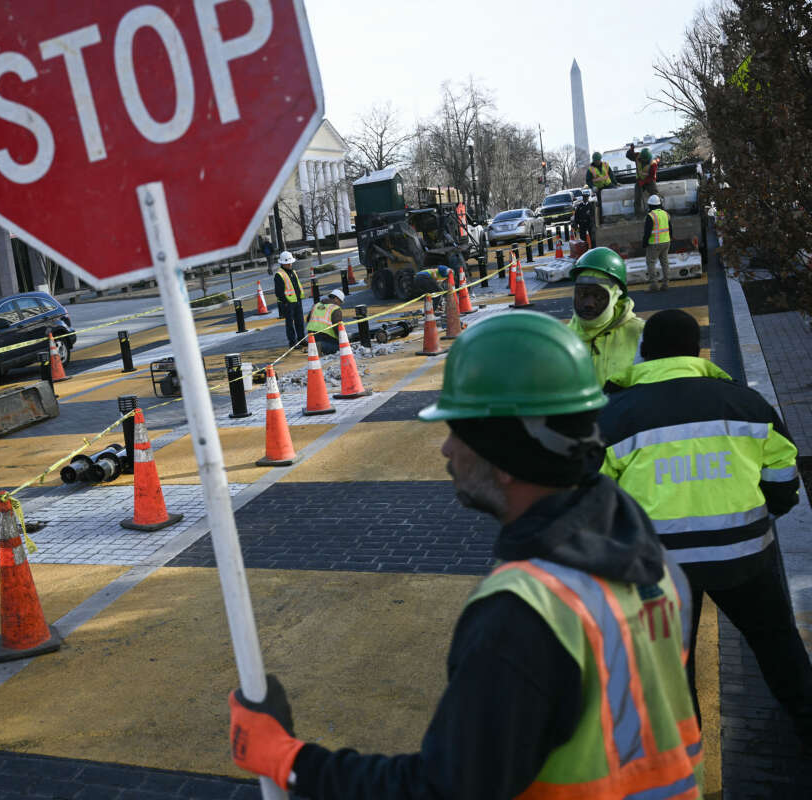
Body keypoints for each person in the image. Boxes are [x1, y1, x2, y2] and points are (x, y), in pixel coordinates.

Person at [228, 312, 703, 798]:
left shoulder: (525, 614)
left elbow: (444, 790)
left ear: (506, 458)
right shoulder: (655, 563)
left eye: (461, 432)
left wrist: (285, 758)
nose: (446, 448)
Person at [600, 309, 812, 752]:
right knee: (776, 643)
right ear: (696, 350)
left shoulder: (615, 415)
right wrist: (768, 511)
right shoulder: (745, 402)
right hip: (746, 558)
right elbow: (782, 475)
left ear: (646, 352)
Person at [567, 247, 644, 387]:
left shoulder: (640, 334)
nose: (588, 304)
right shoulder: (562, 339)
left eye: (598, 296)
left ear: (616, 296)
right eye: (582, 295)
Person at [273, 250, 306, 347]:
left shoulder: (293, 272)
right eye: (287, 263)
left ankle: (301, 339)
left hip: (297, 301)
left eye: (290, 262)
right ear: (282, 263)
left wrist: (300, 298)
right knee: (290, 324)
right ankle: (293, 342)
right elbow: (278, 292)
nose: (290, 264)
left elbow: (296, 286)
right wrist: (285, 302)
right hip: (287, 303)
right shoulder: (279, 275)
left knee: (299, 321)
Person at [642, 194, 671, 292]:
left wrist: (644, 243)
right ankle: (666, 284)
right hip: (666, 242)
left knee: (651, 263)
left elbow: (647, 232)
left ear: (650, 205)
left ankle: (654, 285)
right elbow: (670, 228)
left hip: (654, 243)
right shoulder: (666, 214)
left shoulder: (650, 216)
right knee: (665, 263)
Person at [305, 289, 345, 354]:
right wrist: (342, 339)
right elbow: (337, 327)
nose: (340, 304)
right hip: (325, 335)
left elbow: (308, 319)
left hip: (311, 335)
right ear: (336, 299)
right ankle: (322, 346)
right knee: (342, 347)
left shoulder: (316, 305)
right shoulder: (335, 308)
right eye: (340, 302)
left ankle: (315, 346)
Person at [625, 144, 660, 219]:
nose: (643, 160)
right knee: (637, 197)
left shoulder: (653, 164)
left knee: (655, 195)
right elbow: (629, 156)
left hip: (650, 181)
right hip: (639, 180)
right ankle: (638, 215)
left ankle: (658, 211)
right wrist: (631, 150)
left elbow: (651, 176)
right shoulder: (638, 156)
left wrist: (643, 182)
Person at [585, 151, 615, 224]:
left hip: (609, 185)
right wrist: (593, 187)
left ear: (600, 159)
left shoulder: (605, 165)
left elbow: (611, 174)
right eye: (596, 160)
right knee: (601, 204)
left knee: (614, 200)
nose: (597, 162)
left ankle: (614, 216)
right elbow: (588, 180)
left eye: (598, 160)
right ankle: (603, 220)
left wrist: (615, 183)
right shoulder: (590, 169)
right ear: (594, 160)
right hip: (599, 189)